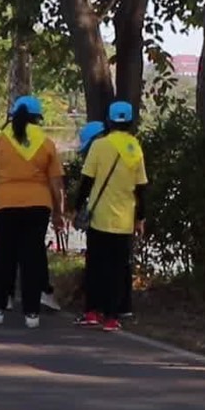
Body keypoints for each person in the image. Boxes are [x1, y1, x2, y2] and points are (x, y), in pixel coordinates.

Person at [0, 96, 65, 328]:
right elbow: (56, 183)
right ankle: (32, 314)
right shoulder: (47, 143)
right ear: (38, 119)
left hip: (5, 205)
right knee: (32, 258)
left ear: (13, 116)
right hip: (38, 207)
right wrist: (59, 211)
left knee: (2, 258)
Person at [73, 101, 149, 332]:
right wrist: (140, 218)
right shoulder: (135, 148)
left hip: (100, 218)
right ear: (129, 121)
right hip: (124, 220)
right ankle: (113, 317)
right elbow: (142, 188)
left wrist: (76, 207)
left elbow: (86, 182)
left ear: (109, 120)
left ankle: (92, 312)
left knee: (96, 266)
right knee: (118, 269)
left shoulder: (99, 146)